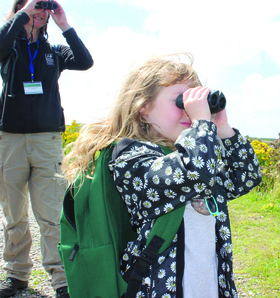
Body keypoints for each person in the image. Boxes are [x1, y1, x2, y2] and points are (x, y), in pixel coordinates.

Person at [62, 54, 261, 298]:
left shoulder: (192, 154)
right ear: (143, 107)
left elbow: (246, 177)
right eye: (181, 101)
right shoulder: (131, 156)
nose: (190, 110)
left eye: (195, 102)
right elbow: (192, 174)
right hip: (159, 288)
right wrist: (200, 125)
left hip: (206, 283)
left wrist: (223, 130)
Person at [0, 0, 93, 296]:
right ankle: (16, 276)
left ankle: (62, 280)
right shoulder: (9, 45)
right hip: (10, 140)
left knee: (52, 215)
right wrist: (21, 16)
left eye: (44, 6)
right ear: (19, 8)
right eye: (32, 5)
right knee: (14, 214)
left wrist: (64, 24)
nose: (39, 11)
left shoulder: (54, 51)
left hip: (47, 141)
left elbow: (85, 60)